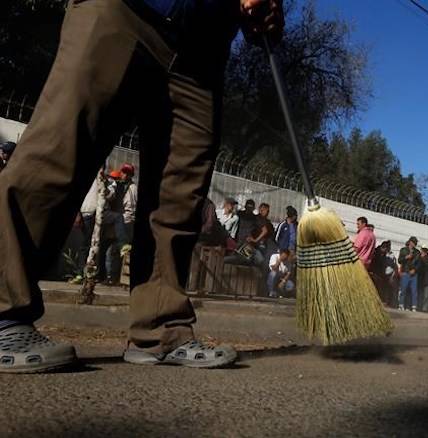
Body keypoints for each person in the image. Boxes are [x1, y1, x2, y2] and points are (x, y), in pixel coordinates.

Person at [0, 0, 284, 373]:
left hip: (201, 52)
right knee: (57, 153)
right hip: (125, 10)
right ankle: (4, 311)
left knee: (178, 196)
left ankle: (161, 329)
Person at [398, 237, 420, 312]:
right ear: (410, 242)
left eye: (416, 242)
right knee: (403, 289)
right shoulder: (403, 250)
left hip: (414, 274)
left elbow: (419, 264)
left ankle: (413, 306)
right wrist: (406, 257)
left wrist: (415, 270)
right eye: (413, 242)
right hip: (405, 272)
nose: (415, 244)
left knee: (414, 290)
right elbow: (399, 261)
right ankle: (401, 304)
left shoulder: (417, 252)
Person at [417, 245, 428, 312]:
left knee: (426, 295)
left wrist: (422, 259)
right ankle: (419, 307)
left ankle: (425, 308)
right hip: (420, 279)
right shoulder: (418, 257)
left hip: (427, 279)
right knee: (419, 294)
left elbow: (427, 266)